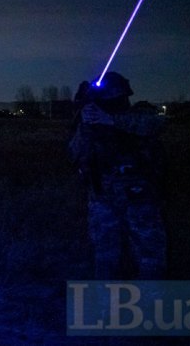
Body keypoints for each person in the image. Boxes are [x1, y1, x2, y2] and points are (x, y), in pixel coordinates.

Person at [69, 72, 167, 280]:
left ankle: (151, 296)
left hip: (139, 197)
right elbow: (75, 153)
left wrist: (110, 119)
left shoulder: (138, 114)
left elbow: (154, 124)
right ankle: (106, 296)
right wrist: (85, 123)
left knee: (149, 254)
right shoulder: (92, 123)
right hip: (102, 197)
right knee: (104, 253)